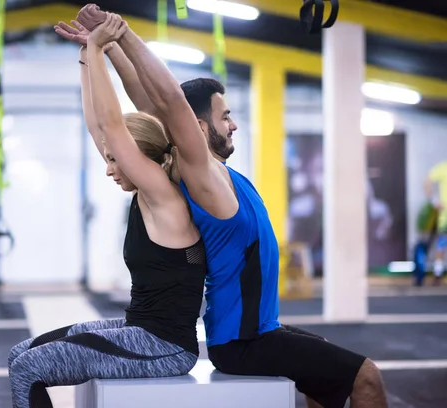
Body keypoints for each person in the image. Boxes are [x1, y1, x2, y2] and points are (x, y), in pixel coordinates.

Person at [77, 5, 388, 408]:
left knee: (323, 370)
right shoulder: (203, 176)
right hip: (242, 340)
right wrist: (123, 33)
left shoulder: (225, 174)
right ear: (199, 127)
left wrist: (112, 42)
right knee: (366, 377)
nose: (234, 124)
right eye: (226, 116)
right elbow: (169, 100)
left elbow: (154, 102)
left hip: (257, 329)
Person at [8, 15, 207, 408]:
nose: (108, 167)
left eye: (116, 160)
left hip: (165, 348)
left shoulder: (163, 197)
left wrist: (101, 50)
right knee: (20, 353)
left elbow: (114, 127)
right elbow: (100, 126)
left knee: (28, 369)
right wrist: (86, 55)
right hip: (140, 331)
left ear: (143, 160)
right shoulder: (146, 192)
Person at [425, 160, 447, 285]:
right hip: (445, 217)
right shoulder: (443, 168)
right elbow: (427, 180)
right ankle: (437, 273)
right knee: (441, 244)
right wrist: (434, 201)